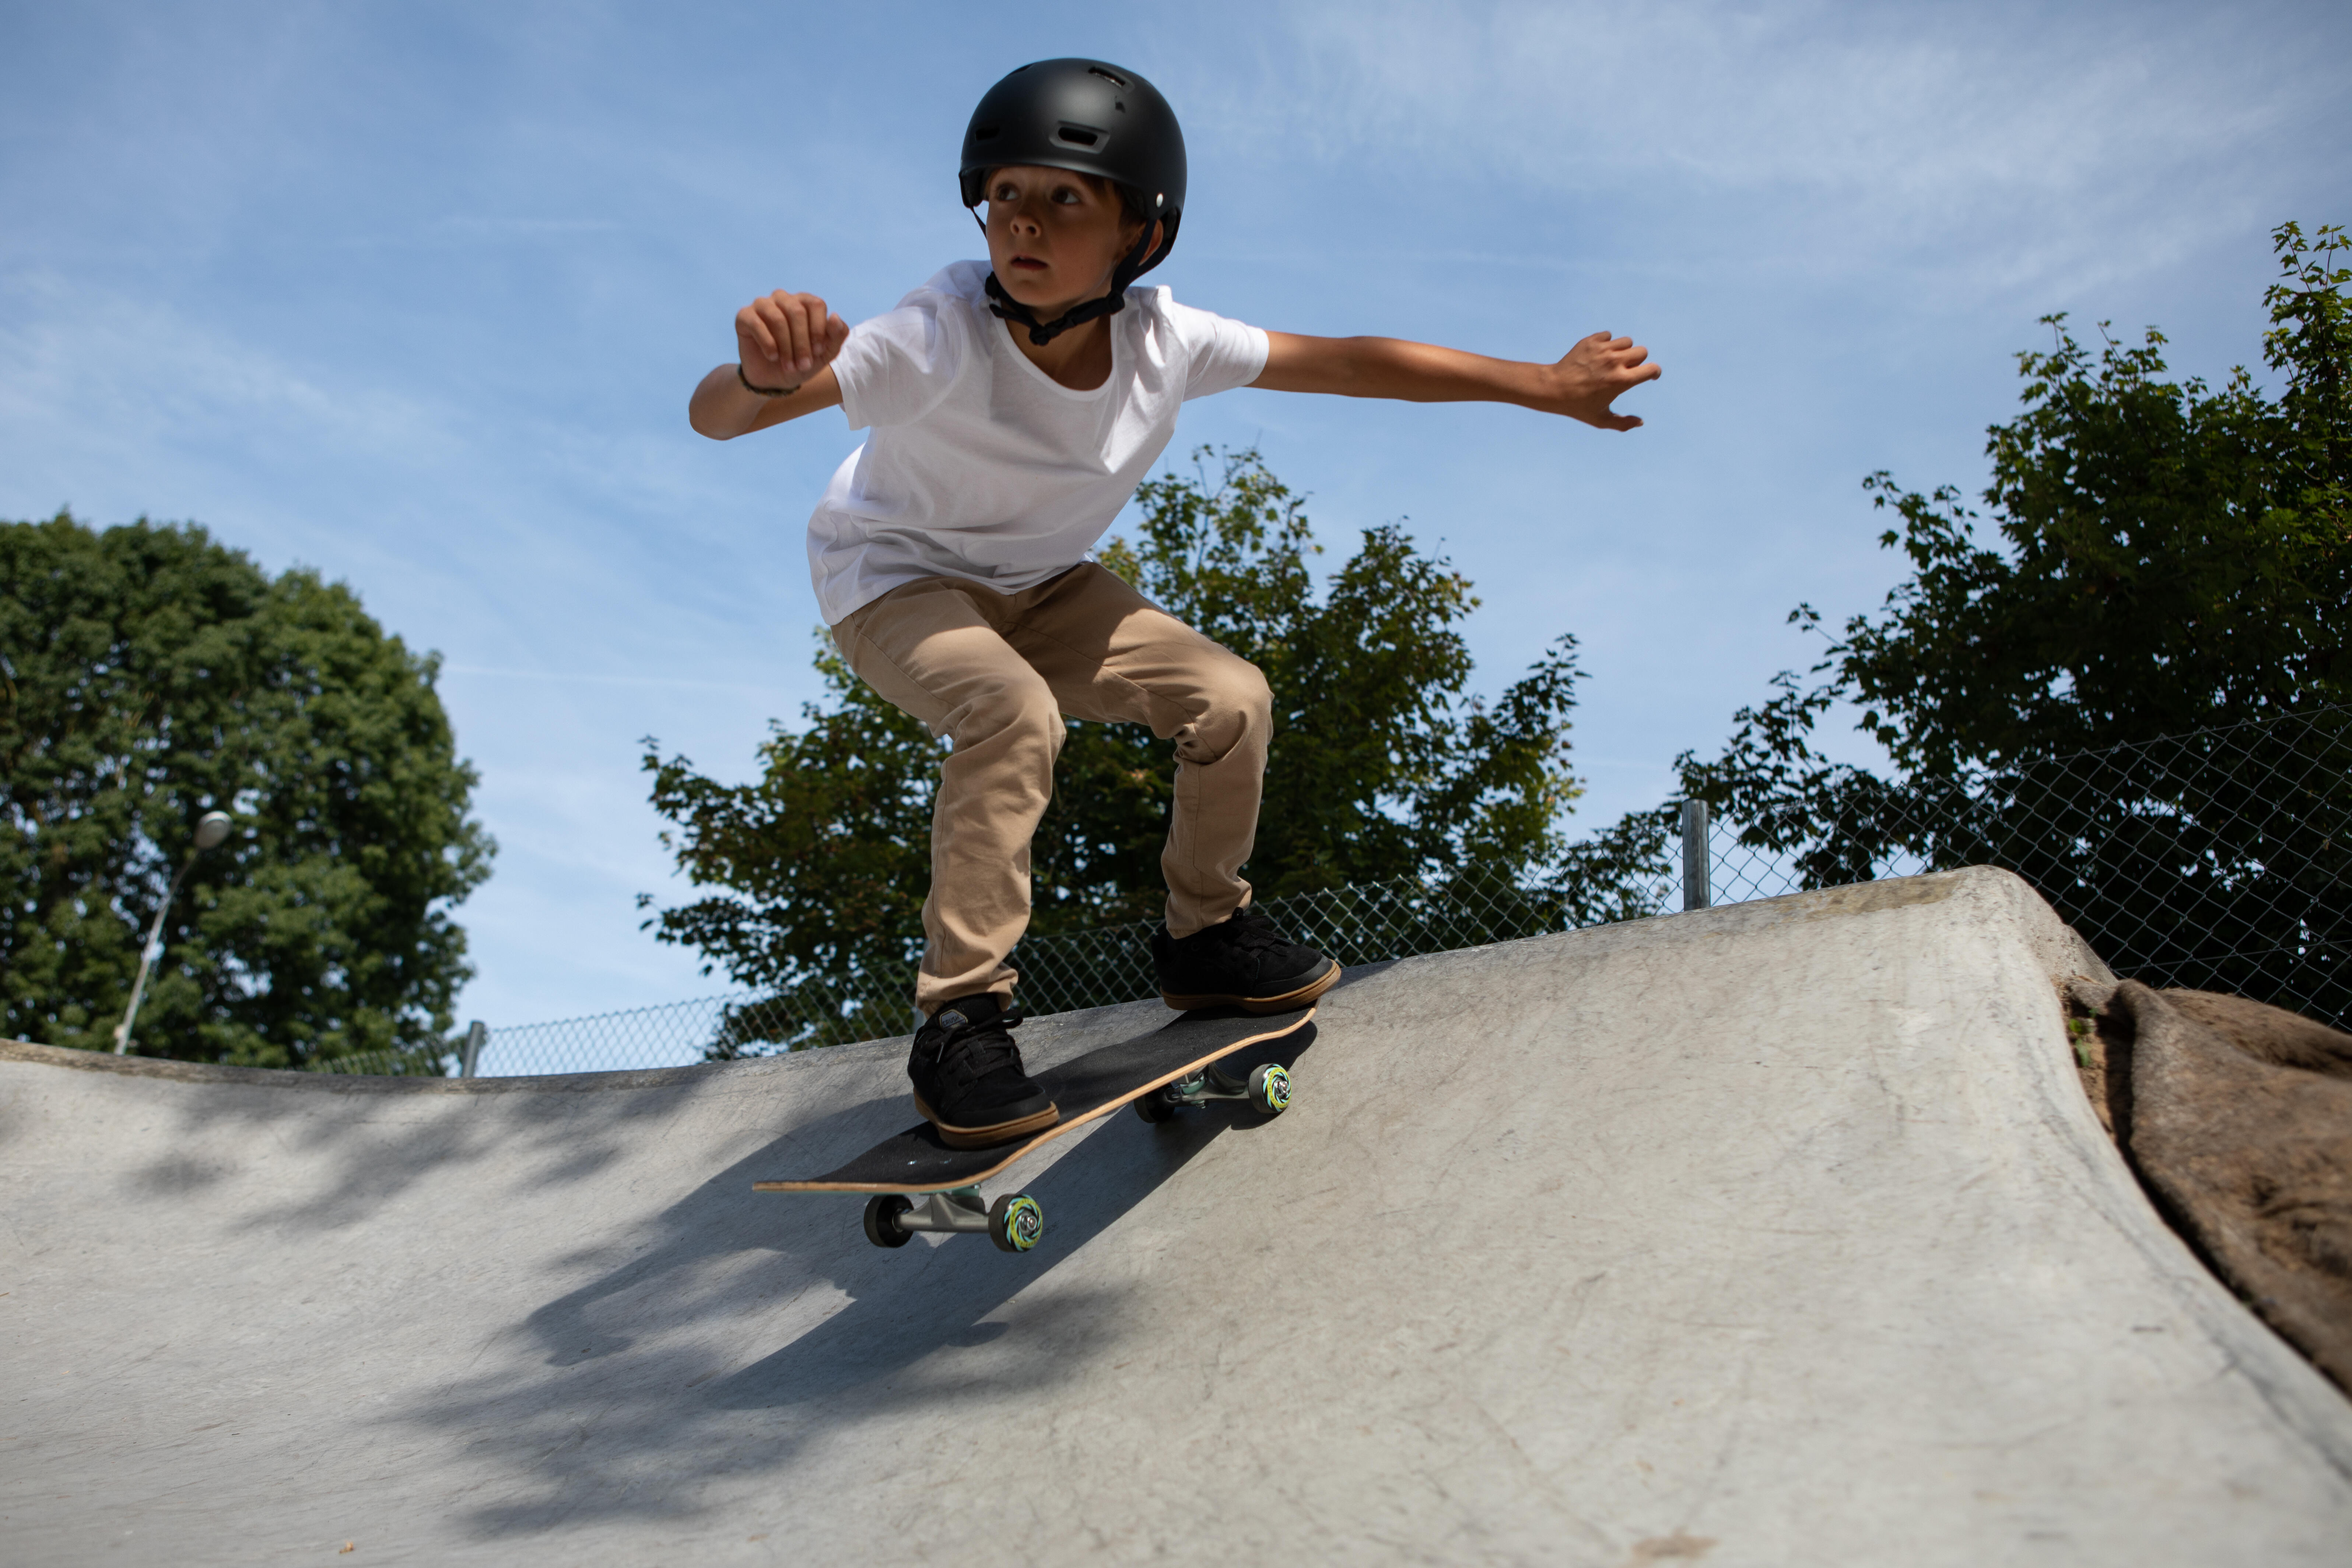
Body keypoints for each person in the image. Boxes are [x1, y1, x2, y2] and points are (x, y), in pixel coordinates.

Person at [688, 58, 1658, 1150]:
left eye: (1063, 199)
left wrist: (1538, 381)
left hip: (1045, 588)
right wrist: (764, 377)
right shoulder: (936, 334)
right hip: (895, 580)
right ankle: (960, 1015)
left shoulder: (1166, 340)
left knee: (1229, 697)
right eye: (1005, 193)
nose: (1024, 223)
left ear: (1138, 236)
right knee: (1013, 714)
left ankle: (1204, 934)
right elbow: (719, 419)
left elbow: (1343, 362)